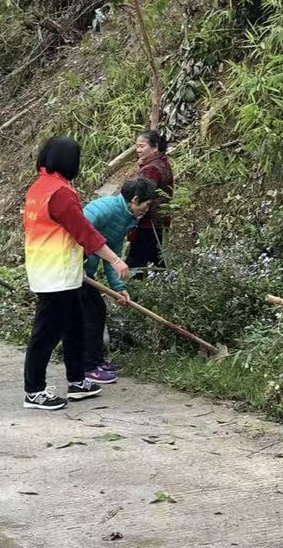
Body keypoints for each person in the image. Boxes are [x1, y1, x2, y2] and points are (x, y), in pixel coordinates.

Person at [20, 136, 131, 411]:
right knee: (45, 334)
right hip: (56, 273)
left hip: (54, 269)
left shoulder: (38, 188)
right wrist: (116, 260)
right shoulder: (60, 193)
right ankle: (34, 391)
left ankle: (77, 380)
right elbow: (84, 232)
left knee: (75, 327)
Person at [77, 176, 158, 383]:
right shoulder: (104, 209)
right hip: (74, 271)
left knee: (96, 311)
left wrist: (118, 287)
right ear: (135, 200)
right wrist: (76, 265)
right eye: (147, 205)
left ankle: (95, 361)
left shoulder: (126, 218)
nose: (147, 209)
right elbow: (76, 231)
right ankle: (88, 367)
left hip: (86, 272)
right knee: (91, 314)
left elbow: (112, 254)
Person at [127, 129, 173, 269]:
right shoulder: (162, 163)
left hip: (147, 223)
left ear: (155, 147)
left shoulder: (150, 169)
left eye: (142, 146)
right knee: (156, 260)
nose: (138, 150)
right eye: (137, 146)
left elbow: (141, 195)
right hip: (160, 220)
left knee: (135, 264)